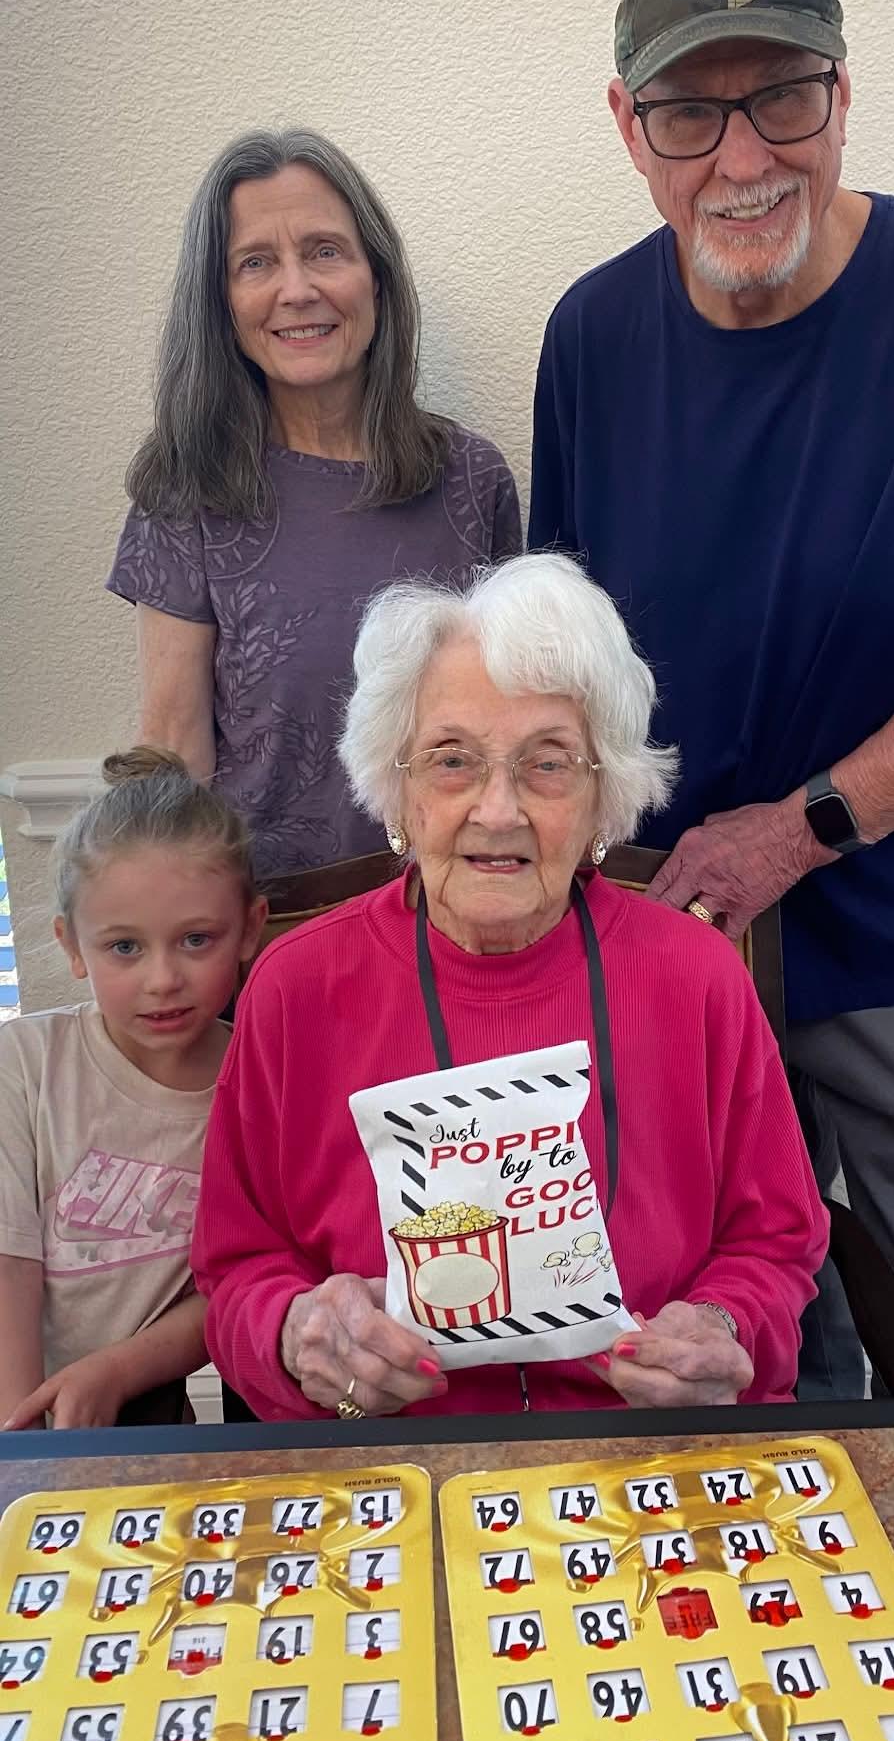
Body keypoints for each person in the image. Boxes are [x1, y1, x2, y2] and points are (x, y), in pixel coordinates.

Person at [528, 0, 894, 1395]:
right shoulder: (590, 337)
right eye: (688, 113)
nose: (741, 157)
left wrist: (796, 831)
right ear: (626, 127)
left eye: (780, 97)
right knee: (737, 1371)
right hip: (677, 960)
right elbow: (565, 660)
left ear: (842, 97)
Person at [192, 553, 828, 1420]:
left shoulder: (697, 975)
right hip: (386, 1460)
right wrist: (296, 1330)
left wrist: (724, 1327)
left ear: (604, 795)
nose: (498, 811)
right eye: (452, 761)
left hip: (642, 1451)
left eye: (548, 763)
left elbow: (774, 1243)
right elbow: (236, 1266)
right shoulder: (295, 988)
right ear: (397, 789)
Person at [108, 128, 521, 883]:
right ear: (222, 303)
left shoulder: (470, 479)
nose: (296, 289)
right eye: (255, 262)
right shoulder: (186, 488)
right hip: (268, 925)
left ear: (376, 278)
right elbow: (174, 748)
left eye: (325, 251)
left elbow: (508, 723)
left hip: (447, 910)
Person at [0, 749, 266, 1429]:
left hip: (138, 1409)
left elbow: (237, 1287)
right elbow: (8, 1266)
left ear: (250, 929)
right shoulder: (23, 1064)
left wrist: (113, 1373)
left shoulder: (264, 1085)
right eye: (124, 947)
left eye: (196, 939)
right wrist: (22, 1448)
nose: (162, 979)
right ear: (71, 946)